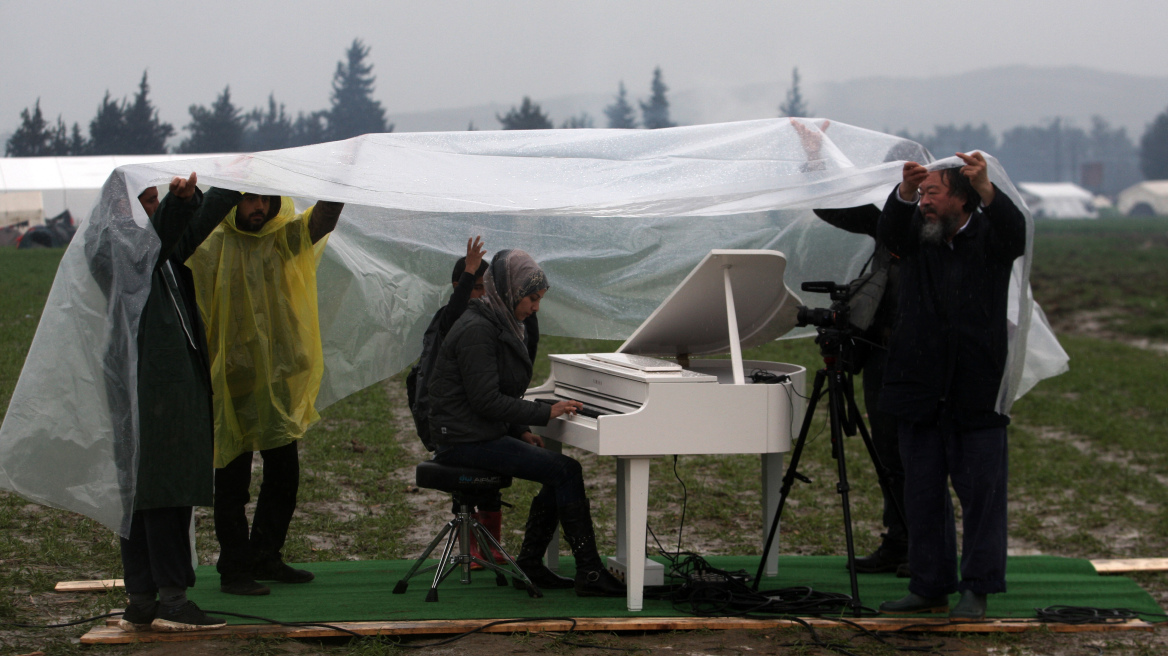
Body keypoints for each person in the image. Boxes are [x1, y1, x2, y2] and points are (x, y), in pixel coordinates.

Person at [876, 152, 1026, 621]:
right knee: (921, 492)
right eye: (921, 195)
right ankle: (929, 586)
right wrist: (902, 192)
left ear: (962, 200)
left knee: (981, 494)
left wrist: (986, 187)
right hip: (917, 385)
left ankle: (977, 589)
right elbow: (888, 236)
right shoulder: (919, 240)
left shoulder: (991, 240)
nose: (924, 202)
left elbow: (1018, 232)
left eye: (932, 193)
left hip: (976, 388)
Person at [425, 249, 625, 597]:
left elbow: (493, 392)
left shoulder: (496, 321)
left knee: (559, 472)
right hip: (462, 440)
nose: (536, 308)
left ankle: (534, 562)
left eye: (539, 299)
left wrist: (520, 431)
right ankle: (589, 572)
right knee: (566, 471)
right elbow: (485, 400)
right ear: (510, 292)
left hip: (477, 432)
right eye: (532, 299)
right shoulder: (477, 330)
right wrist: (545, 412)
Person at [86, 174, 230, 632]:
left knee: (147, 492)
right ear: (121, 208)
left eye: (155, 203)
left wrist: (232, 184)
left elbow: (189, 228)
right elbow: (151, 247)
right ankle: (167, 599)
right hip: (144, 388)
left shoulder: (153, 248)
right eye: (144, 202)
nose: (152, 210)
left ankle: (144, 598)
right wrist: (175, 204)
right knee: (155, 492)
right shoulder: (112, 249)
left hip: (155, 386)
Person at [186, 190, 344, 596]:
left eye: (264, 200)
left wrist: (339, 184)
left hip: (274, 380)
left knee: (284, 475)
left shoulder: (282, 236)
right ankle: (234, 569)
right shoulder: (213, 243)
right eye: (249, 200)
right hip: (231, 383)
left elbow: (320, 222)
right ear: (232, 202)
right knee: (233, 482)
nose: (258, 208)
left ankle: (265, 555)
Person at [407, 236, 512, 567]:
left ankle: (489, 547)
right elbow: (457, 310)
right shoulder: (450, 319)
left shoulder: (490, 325)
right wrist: (468, 275)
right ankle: (473, 548)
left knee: (491, 476)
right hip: (451, 424)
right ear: (459, 287)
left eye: (486, 289)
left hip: (477, 419)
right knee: (468, 485)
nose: (482, 296)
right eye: (476, 288)